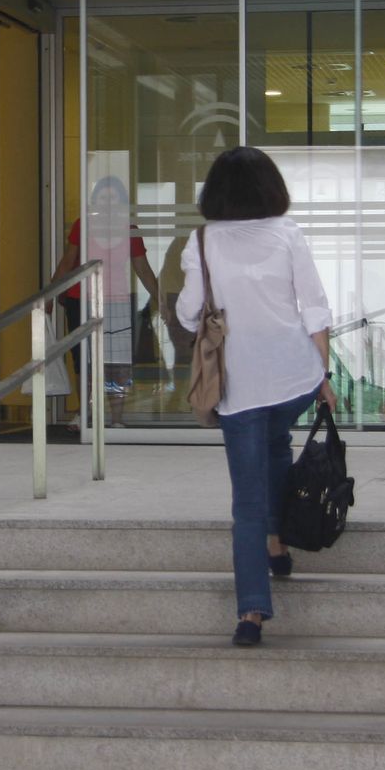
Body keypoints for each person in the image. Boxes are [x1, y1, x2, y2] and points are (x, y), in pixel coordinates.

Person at [175, 147, 337, 647]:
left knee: (246, 497)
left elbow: (187, 313)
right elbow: (314, 307)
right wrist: (324, 374)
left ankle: (252, 611)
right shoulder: (288, 233)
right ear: (271, 188)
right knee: (275, 445)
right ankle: (275, 542)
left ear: (215, 192)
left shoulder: (202, 242)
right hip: (293, 376)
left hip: (239, 386)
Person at [50, 176, 160, 425]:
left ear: (121, 202)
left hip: (117, 300)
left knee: (117, 361)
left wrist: (160, 299)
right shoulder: (83, 225)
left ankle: (117, 418)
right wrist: (51, 293)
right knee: (84, 360)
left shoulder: (129, 229)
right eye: (102, 198)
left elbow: (142, 268)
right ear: (94, 201)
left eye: (113, 198)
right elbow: (68, 262)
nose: (108, 203)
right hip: (81, 299)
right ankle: (85, 413)